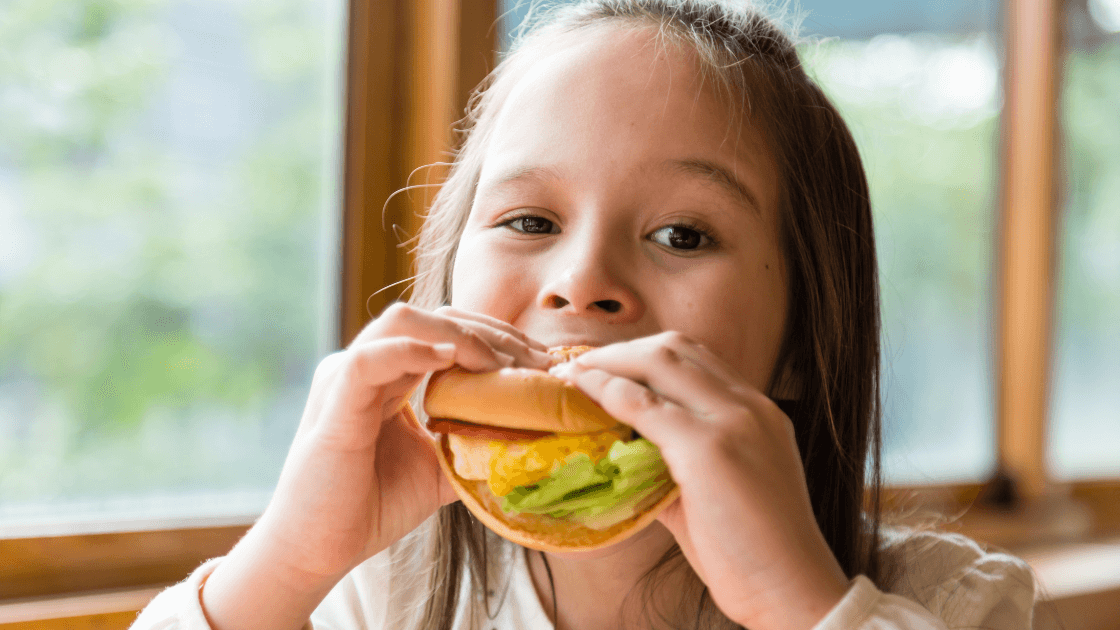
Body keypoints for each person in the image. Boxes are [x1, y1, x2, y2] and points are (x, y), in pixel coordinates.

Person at [132, 1, 1036, 629]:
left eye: (682, 235)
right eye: (530, 221)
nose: (582, 281)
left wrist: (801, 606)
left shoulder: (947, 599)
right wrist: (287, 561)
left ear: (802, 340)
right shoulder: (371, 596)